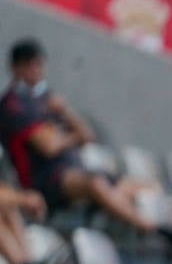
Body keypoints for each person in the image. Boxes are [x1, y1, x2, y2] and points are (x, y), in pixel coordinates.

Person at [0, 39, 161, 235]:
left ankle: (166, 228)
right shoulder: (13, 105)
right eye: (31, 65)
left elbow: (87, 135)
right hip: (46, 180)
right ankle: (149, 228)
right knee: (96, 184)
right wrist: (70, 137)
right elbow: (49, 146)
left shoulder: (47, 100)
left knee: (145, 186)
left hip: (75, 170)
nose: (37, 71)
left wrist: (66, 112)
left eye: (40, 65)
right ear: (17, 68)